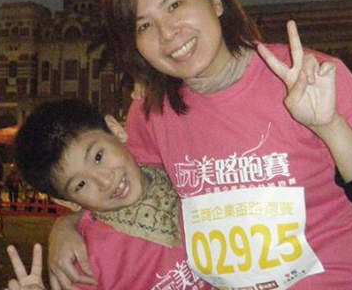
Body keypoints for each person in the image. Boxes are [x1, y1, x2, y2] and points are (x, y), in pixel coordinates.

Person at [47, 0, 352, 290]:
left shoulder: (312, 80)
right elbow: (125, 188)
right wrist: (68, 225)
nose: (167, 33)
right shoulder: (151, 113)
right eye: (144, 26)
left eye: (174, 5)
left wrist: (330, 126)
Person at [11, 98, 215, 290]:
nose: (105, 181)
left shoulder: (173, 160)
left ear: (116, 129)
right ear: (67, 202)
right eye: (81, 184)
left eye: (98, 156)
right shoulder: (87, 260)